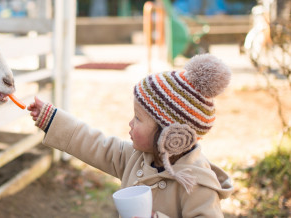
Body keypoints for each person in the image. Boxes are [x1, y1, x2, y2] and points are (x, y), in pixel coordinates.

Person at [27, 54, 234, 217]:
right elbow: (95, 144)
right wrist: (52, 119)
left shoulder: (197, 184)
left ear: (170, 136)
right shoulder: (135, 158)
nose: (130, 123)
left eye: (138, 118)